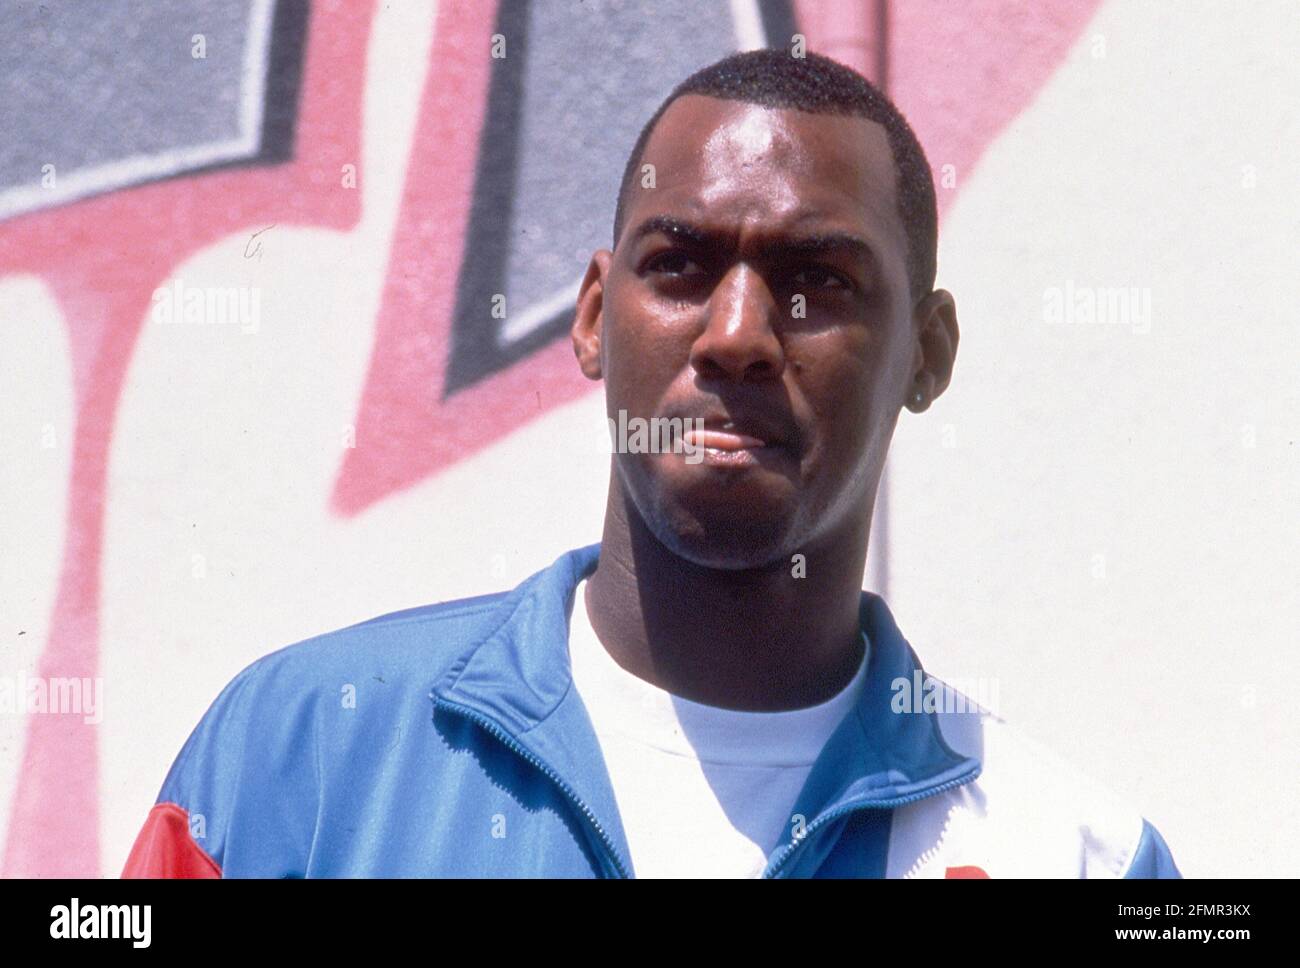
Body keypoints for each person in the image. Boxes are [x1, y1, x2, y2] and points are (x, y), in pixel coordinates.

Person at [122, 47, 1181, 879]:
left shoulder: (1079, 852)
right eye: (678, 266)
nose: (735, 335)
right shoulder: (297, 753)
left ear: (927, 354)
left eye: (815, 281)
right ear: (593, 316)